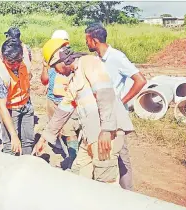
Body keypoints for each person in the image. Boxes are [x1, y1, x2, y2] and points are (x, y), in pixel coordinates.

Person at [33, 38, 134, 185]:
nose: (57, 72)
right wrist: (44, 138)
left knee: (105, 184)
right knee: (78, 176)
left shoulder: (88, 62)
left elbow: (105, 93)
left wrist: (107, 129)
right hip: (90, 137)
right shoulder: (75, 80)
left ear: (60, 60)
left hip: (106, 136)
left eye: (55, 68)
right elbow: (63, 111)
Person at [85, 23, 146, 190]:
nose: (86, 43)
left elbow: (140, 80)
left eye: (87, 40)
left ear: (95, 40)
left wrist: (121, 101)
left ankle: (128, 194)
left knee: (120, 157)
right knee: (101, 153)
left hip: (115, 117)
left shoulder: (117, 57)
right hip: (99, 115)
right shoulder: (95, 60)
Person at [40, 30, 80, 169]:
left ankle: (73, 160)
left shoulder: (71, 61)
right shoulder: (50, 59)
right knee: (55, 129)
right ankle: (67, 153)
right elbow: (44, 81)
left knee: (70, 133)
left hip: (67, 102)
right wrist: (45, 67)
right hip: (52, 99)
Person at [0, 38, 35, 155]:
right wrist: (14, 135)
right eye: (11, 63)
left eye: (18, 61)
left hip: (26, 106)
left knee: (28, 142)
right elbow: (2, 106)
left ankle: (26, 167)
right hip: (10, 110)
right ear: (3, 58)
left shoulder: (24, 63)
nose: (15, 65)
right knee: (11, 144)